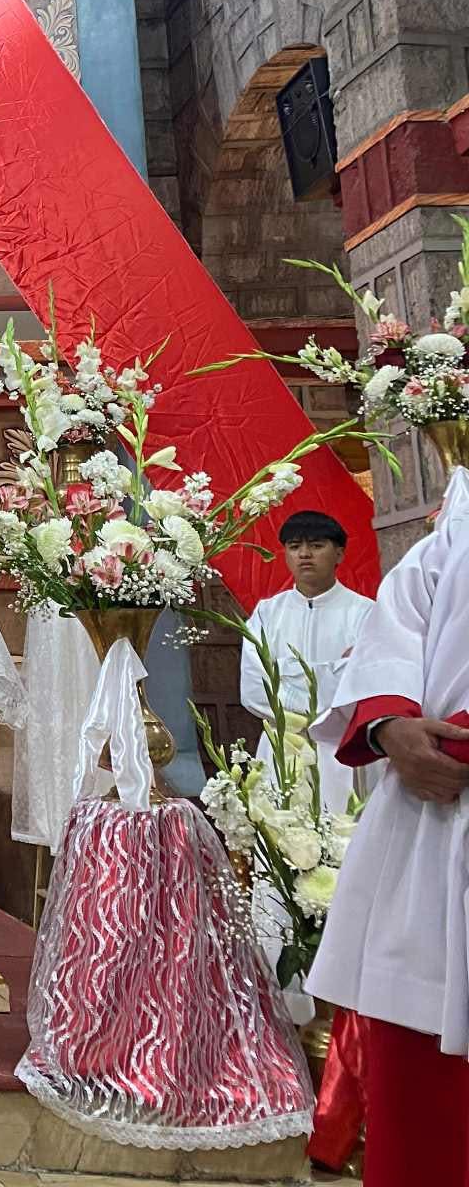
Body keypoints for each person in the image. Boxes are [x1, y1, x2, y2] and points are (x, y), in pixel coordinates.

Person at [307, 470, 469, 1187]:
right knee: (418, 1069)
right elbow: (390, 639)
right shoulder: (449, 540)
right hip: (431, 826)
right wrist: (391, 725)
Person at [238, 510, 372, 812]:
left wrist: (286, 677)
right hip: (282, 747)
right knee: (279, 840)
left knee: (343, 837)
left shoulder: (365, 614)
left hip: (341, 748)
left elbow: (363, 687)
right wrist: (331, 675)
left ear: (338, 553)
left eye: (316, 545)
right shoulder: (267, 614)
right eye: (295, 546)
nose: (305, 554)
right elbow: (254, 689)